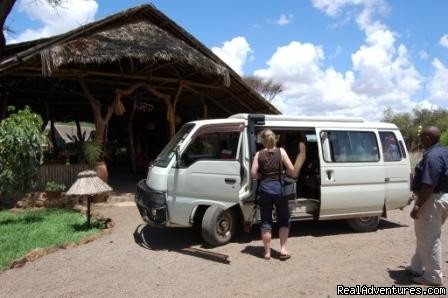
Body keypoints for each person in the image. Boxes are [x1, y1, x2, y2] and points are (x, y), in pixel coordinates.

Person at [250, 129, 305, 260]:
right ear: (275, 139)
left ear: (262, 140)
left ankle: (267, 252)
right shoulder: (281, 152)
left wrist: (261, 176)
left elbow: (253, 173)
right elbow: (291, 170)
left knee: (266, 222)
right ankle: (283, 250)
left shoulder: (258, 154)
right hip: (280, 191)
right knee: (284, 219)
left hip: (264, 190)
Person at [407, 126, 448, 286]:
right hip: (442, 197)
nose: (420, 141)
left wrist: (417, 206)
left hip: (432, 199)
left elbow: (428, 185)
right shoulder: (443, 151)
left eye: (421, 138)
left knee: (429, 238)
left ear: (428, 139)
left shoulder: (432, 156)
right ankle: (417, 267)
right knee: (425, 235)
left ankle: (433, 277)